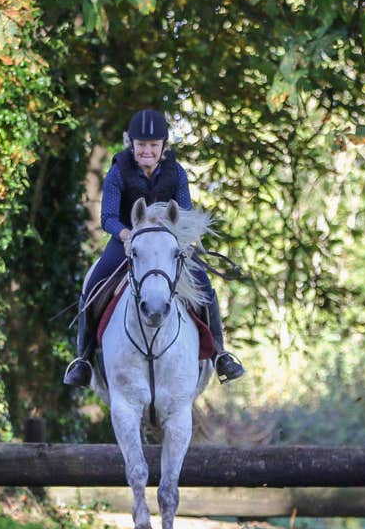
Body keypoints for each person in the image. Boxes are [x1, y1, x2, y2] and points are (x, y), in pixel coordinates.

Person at [63, 108, 246, 387]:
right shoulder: (117, 171)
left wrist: (176, 239)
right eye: (141, 145)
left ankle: (221, 355)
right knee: (93, 285)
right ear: (132, 145)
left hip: (168, 243)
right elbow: (108, 217)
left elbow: (183, 213)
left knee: (204, 286)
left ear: (163, 146)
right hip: (127, 241)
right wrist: (128, 236)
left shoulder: (176, 173)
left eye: (153, 145)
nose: (146, 151)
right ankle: (84, 360)